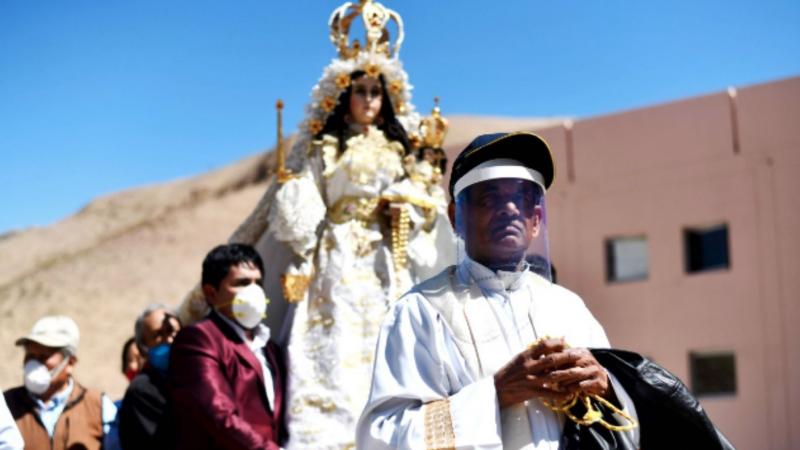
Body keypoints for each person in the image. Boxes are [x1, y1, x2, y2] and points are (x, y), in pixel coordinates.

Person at [177, 2, 453, 448]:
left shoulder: (399, 150)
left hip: (386, 256)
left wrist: (405, 206)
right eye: (361, 90)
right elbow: (302, 196)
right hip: (336, 253)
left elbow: (425, 197)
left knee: (391, 334)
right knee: (332, 340)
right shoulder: (326, 148)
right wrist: (299, 212)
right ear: (345, 96)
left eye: (376, 92)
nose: (369, 99)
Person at [356, 132, 639, 449]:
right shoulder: (420, 310)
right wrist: (496, 393)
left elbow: (629, 425)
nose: (510, 209)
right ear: (456, 217)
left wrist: (607, 388)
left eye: (522, 199)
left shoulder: (569, 308)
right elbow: (383, 437)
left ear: (536, 219)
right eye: (489, 199)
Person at [169, 244, 286, 450]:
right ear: (211, 293)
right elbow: (218, 414)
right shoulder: (199, 339)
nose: (254, 291)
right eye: (242, 283)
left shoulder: (270, 348)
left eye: (258, 283)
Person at [4, 315, 117, 450]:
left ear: (70, 363)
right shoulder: (6, 404)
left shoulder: (98, 405)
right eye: (30, 356)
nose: (34, 364)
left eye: (43, 357)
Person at [118, 304, 181, 450]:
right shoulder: (142, 391)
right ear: (143, 349)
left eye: (172, 332)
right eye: (158, 335)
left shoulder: (195, 377)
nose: (169, 340)